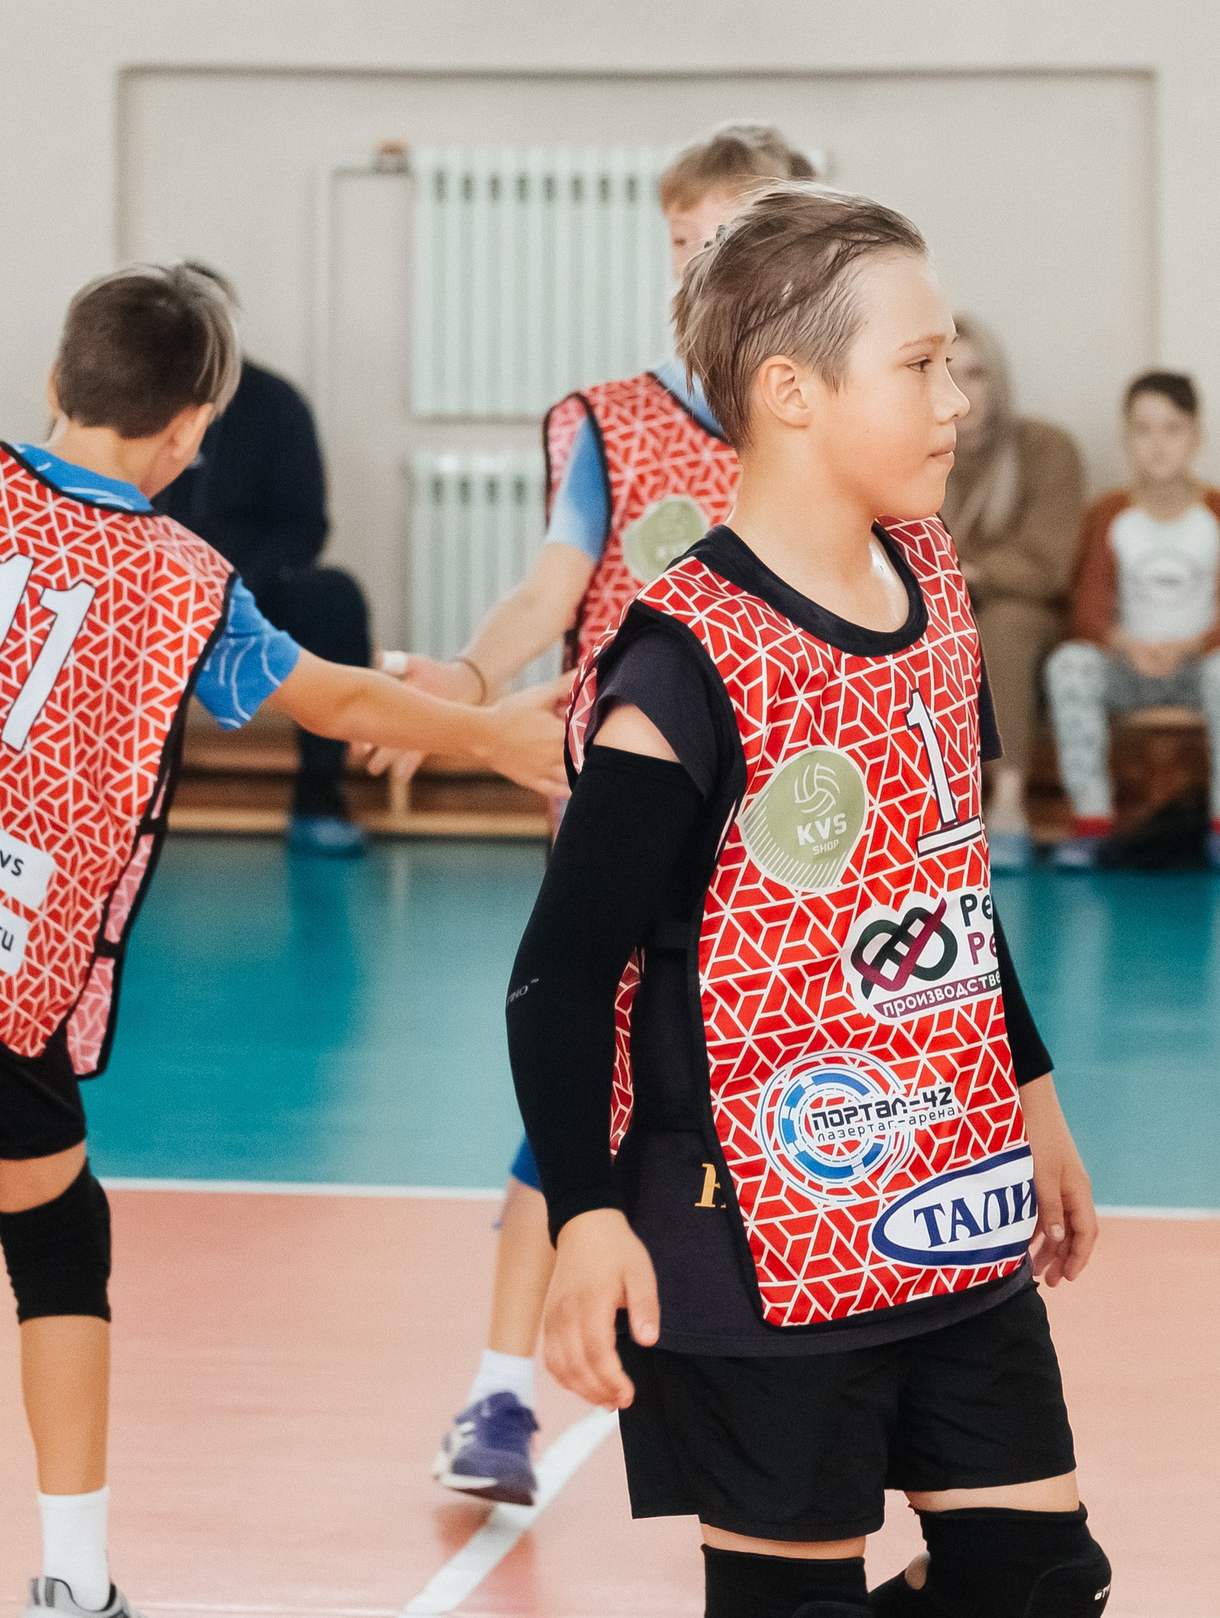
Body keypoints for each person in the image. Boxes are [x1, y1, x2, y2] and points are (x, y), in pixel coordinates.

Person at [0, 263, 566, 1618]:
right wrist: (490, 730)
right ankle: (72, 1579)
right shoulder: (184, 576)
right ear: (195, 426)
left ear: (56, 386)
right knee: (57, 1235)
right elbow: (329, 697)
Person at [517, 185, 1109, 1618]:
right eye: (919, 366)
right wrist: (584, 1217)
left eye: (950, 359)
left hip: (949, 1196)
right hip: (751, 1235)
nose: (956, 398)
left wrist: (1033, 1096)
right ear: (790, 391)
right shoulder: (684, 661)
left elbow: (944, 874)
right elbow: (562, 968)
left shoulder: (936, 582)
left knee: (1037, 1582)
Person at [380, 121, 816, 1505]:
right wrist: (461, 679)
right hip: (639, 810)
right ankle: (498, 1396)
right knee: (571, 1099)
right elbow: (551, 581)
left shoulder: (825, 413)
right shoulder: (611, 422)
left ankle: (849, 1383)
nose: (710, 263)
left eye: (737, 236)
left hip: (786, 822)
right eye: (688, 244)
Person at [153, 285, 378, 858]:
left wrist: (233, 587)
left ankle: (318, 794)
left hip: (253, 590)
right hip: (152, 588)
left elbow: (305, 523)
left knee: (335, 596)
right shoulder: (140, 400)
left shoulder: (276, 403)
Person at [1043, 373, 1220, 873]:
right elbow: (1089, 613)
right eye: (1143, 430)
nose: (1158, 444)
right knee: (1069, 664)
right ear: (1126, 439)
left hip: (1197, 669)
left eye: (1173, 429)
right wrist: (1129, 645)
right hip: (1128, 667)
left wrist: (1186, 647)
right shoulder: (1108, 514)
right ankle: (1092, 821)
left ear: (1196, 437)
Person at [943, 315, 1086, 873]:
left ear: (997, 379)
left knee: (1004, 624)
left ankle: (1005, 799)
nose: (964, 390)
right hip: (937, 607)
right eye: (947, 372)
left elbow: (1048, 564)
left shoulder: (1046, 448)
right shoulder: (912, 452)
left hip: (1026, 618)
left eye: (976, 374)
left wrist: (970, 573)